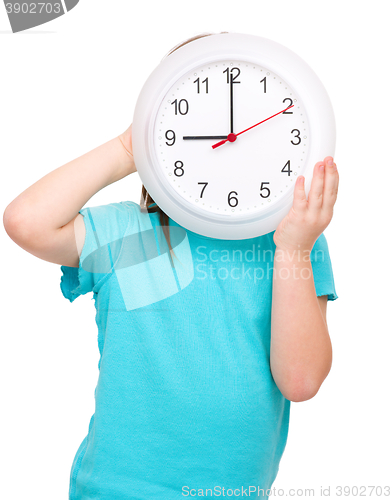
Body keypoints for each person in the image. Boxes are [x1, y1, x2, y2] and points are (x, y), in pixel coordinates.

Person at [3, 32, 339, 500]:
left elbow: (300, 381)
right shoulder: (128, 233)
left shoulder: (294, 242)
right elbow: (25, 221)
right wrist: (127, 146)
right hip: (111, 491)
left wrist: (295, 248)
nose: (230, 140)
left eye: (244, 129)